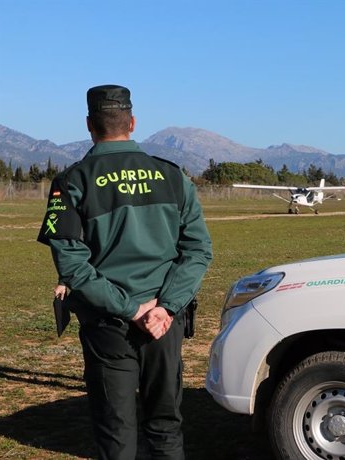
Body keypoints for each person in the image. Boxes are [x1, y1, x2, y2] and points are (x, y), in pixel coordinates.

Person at [37, 84, 213, 459]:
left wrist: (130, 308)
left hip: (108, 327)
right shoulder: (172, 176)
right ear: (132, 122)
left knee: (116, 434)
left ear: (89, 124)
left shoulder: (72, 182)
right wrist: (164, 308)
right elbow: (198, 250)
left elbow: (71, 264)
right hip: (164, 326)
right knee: (166, 427)